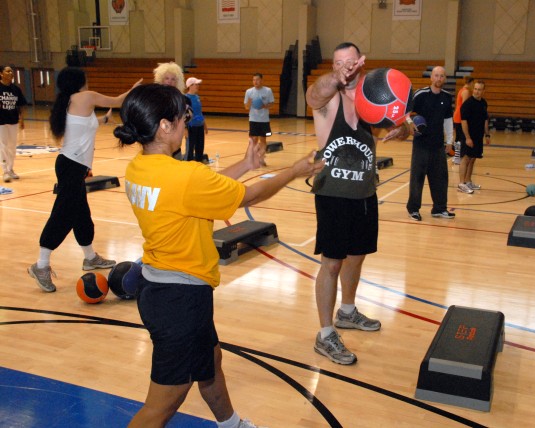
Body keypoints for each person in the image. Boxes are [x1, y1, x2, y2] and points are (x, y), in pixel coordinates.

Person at [115, 83, 323, 428]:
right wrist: (294, 172)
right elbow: (250, 196)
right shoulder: (183, 176)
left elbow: (201, 191)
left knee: (210, 363)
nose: (187, 124)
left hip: (163, 289)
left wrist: (245, 163)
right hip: (179, 298)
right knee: (162, 405)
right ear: (165, 126)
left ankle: (231, 424)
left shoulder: (141, 168)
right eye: (183, 117)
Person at [305, 42, 409, 365]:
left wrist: (402, 130)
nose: (345, 67)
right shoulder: (328, 99)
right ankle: (325, 335)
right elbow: (312, 94)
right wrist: (334, 77)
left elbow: (401, 124)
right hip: (333, 195)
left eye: (350, 61)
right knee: (332, 263)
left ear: (362, 63)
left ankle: (347, 312)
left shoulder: (370, 99)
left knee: (357, 257)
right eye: (339, 62)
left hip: (364, 193)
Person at [27, 67, 141, 293]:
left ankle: (90, 257)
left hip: (72, 166)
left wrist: (103, 119)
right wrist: (134, 90)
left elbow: (81, 126)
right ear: (80, 81)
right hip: (71, 166)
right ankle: (41, 265)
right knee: (63, 214)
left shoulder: (69, 101)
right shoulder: (86, 97)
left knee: (81, 215)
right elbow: (119, 101)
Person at [406, 66, 455, 221]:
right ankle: (413, 209)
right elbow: (406, 112)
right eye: (436, 75)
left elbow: (448, 120)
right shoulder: (420, 94)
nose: (439, 79)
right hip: (421, 144)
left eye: (442, 76)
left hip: (438, 145)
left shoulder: (447, 97)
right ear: (431, 77)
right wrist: (409, 123)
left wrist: (449, 141)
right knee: (417, 178)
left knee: (440, 178)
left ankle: (439, 209)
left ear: (444, 79)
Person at [459, 80, 490, 193]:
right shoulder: (468, 104)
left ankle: (468, 181)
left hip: (478, 136)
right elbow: (464, 122)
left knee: (473, 159)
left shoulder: (483, 103)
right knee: (466, 158)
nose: (477, 91)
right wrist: (467, 137)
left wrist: (487, 134)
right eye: (475, 89)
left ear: (483, 91)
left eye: (479, 90)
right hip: (469, 136)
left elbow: (485, 120)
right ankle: (461, 183)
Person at [153, 62, 186, 160]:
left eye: (173, 79)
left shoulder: (182, 99)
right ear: (161, 79)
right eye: (166, 78)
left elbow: (186, 117)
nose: (169, 81)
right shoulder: (154, 97)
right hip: (157, 141)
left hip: (174, 143)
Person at [0, 65, 27, 183]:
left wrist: (22, 119)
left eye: (11, 71)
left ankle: (11, 169)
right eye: (7, 71)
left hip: (13, 120)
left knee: (12, 147)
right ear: (1, 74)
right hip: (1, 121)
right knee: (3, 146)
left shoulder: (16, 89)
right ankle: (5, 171)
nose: (11, 73)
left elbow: (20, 105)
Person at [243, 73, 274, 166]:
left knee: (263, 139)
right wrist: (250, 102)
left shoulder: (268, 91)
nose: (255, 82)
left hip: (264, 120)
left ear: (261, 80)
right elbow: (246, 107)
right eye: (253, 80)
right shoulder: (249, 92)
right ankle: (250, 158)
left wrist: (264, 106)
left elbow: (272, 103)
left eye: (257, 80)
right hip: (253, 119)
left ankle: (261, 159)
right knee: (253, 139)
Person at [184, 76, 208, 162]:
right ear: (190, 86)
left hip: (199, 126)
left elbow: (199, 112)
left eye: (198, 84)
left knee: (200, 147)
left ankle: (199, 165)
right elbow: (184, 114)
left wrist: (204, 124)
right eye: (195, 84)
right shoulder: (185, 98)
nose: (198, 86)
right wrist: (185, 128)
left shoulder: (197, 97)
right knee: (190, 149)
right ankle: (188, 165)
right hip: (191, 127)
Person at [452, 76, 474, 166]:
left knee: (459, 137)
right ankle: (457, 157)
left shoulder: (462, 90)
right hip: (460, 116)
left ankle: (457, 156)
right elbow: (465, 106)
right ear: (471, 82)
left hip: (458, 115)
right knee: (460, 137)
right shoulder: (466, 91)